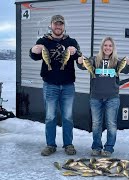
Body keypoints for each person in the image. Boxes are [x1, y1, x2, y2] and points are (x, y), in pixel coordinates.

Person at [29, 15, 80, 156]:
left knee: (68, 117)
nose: (58, 27)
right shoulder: (43, 41)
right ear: (51, 25)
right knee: (50, 117)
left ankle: (68, 144)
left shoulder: (72, 41)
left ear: (64, 26)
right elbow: (33, 55)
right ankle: (50, 145)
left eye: (61, 24)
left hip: (68, 86)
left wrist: (76, 52)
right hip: (50, 85)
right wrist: (34, 50)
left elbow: (79, 59)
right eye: (56, 24)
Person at [77, 37, 129, 157]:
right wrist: (79, 61)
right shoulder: (94, 60)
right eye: (105, 45)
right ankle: (96, 147)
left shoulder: (117, 61)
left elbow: (127, 70)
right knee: (96, 124)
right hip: (95, 97)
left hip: (112, 98)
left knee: (111, 124)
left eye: (110, 46)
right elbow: (83, 66)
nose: (107, 48)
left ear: (113, 48)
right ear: (102, 47)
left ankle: (109, 148)